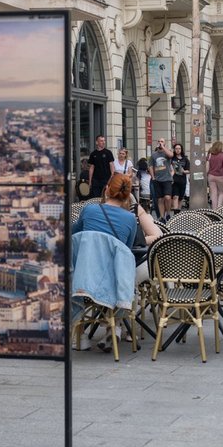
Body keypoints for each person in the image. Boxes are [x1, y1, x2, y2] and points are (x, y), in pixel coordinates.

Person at [71, 173, 163, 350]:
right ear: (128, 194)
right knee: (128, 275)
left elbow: (74, 234)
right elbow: (125, 252)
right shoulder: (129, 219)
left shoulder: (89, 210)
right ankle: (115, 328)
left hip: (85, 277)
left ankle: (80, 336)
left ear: (106, 190)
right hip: (114, 278)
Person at [150, 137, 174, 219]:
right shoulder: (154, 154)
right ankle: (161, 217)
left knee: (167, 197)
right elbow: (151, 166)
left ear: (165, 143)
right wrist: (153, 177)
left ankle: (168, 213)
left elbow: (171, 155)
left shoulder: (167, 153)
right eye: (159, 141)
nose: (160, 142)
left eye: (162, 141)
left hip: (167, 178)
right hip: (157, 179)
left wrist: (163, 147)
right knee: (160, 199)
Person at [87, 135, 115, 199]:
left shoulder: (108, 153)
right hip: (96, 180)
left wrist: (112, 177)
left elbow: (112, 166)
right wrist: (90, 181)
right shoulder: (93, 154)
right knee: (96, 198)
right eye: (101, 141)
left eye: (104, 140)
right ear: (97, 142)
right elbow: (91, 168)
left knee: (105, 198)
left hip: (106, 180)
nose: (104, 142)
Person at [206, 140, 223, 208]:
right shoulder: (222, 155)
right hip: (220, 176)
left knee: (213, 193)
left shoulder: (210, 155)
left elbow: (207, 164)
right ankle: (219, 208)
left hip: (211, 175)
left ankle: (214, 209)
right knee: (221, 192)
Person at [170, 143, 190, 215]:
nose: (178, 150)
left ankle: (178, 213)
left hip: (182, 180)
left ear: (181, 150)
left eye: (179, 149)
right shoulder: (172, 159)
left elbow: (189, 170)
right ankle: (175, 214)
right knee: (175, 196)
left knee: (180, 198)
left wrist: (183, 171)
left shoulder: (185, 159)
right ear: (174, 150)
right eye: (176, 149)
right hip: (174, 180)